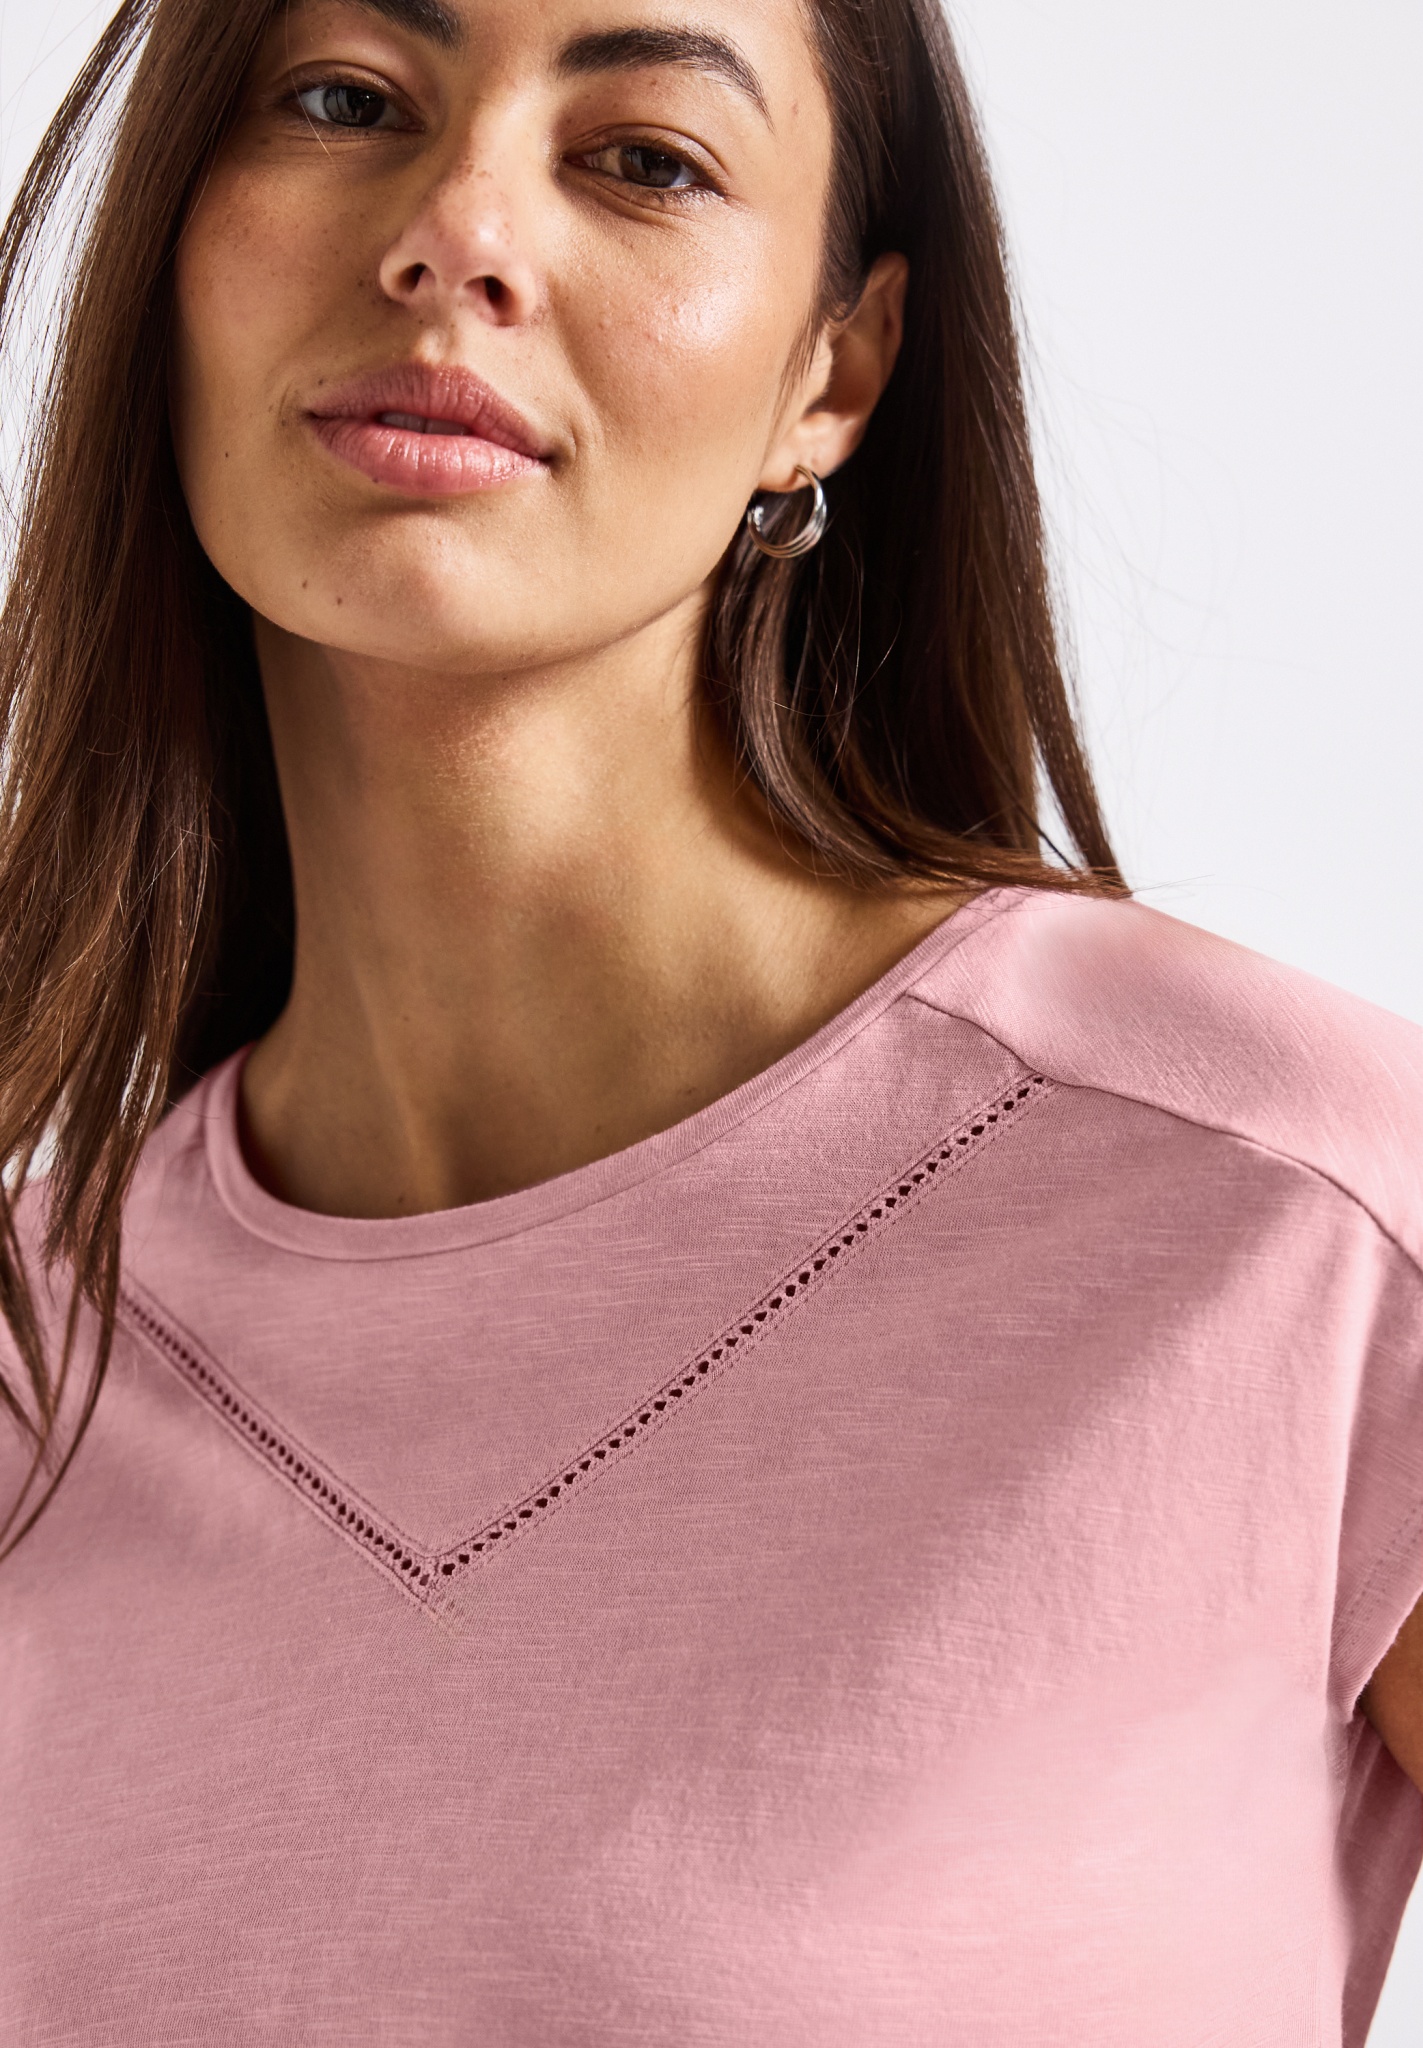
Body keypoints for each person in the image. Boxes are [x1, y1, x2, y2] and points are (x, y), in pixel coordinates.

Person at [0, 0, 1419, 2038]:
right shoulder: (33, 1360)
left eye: (645, 158)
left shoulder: (1297, 1210)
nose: (458, 230)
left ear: (832, 373)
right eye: (345, 99)